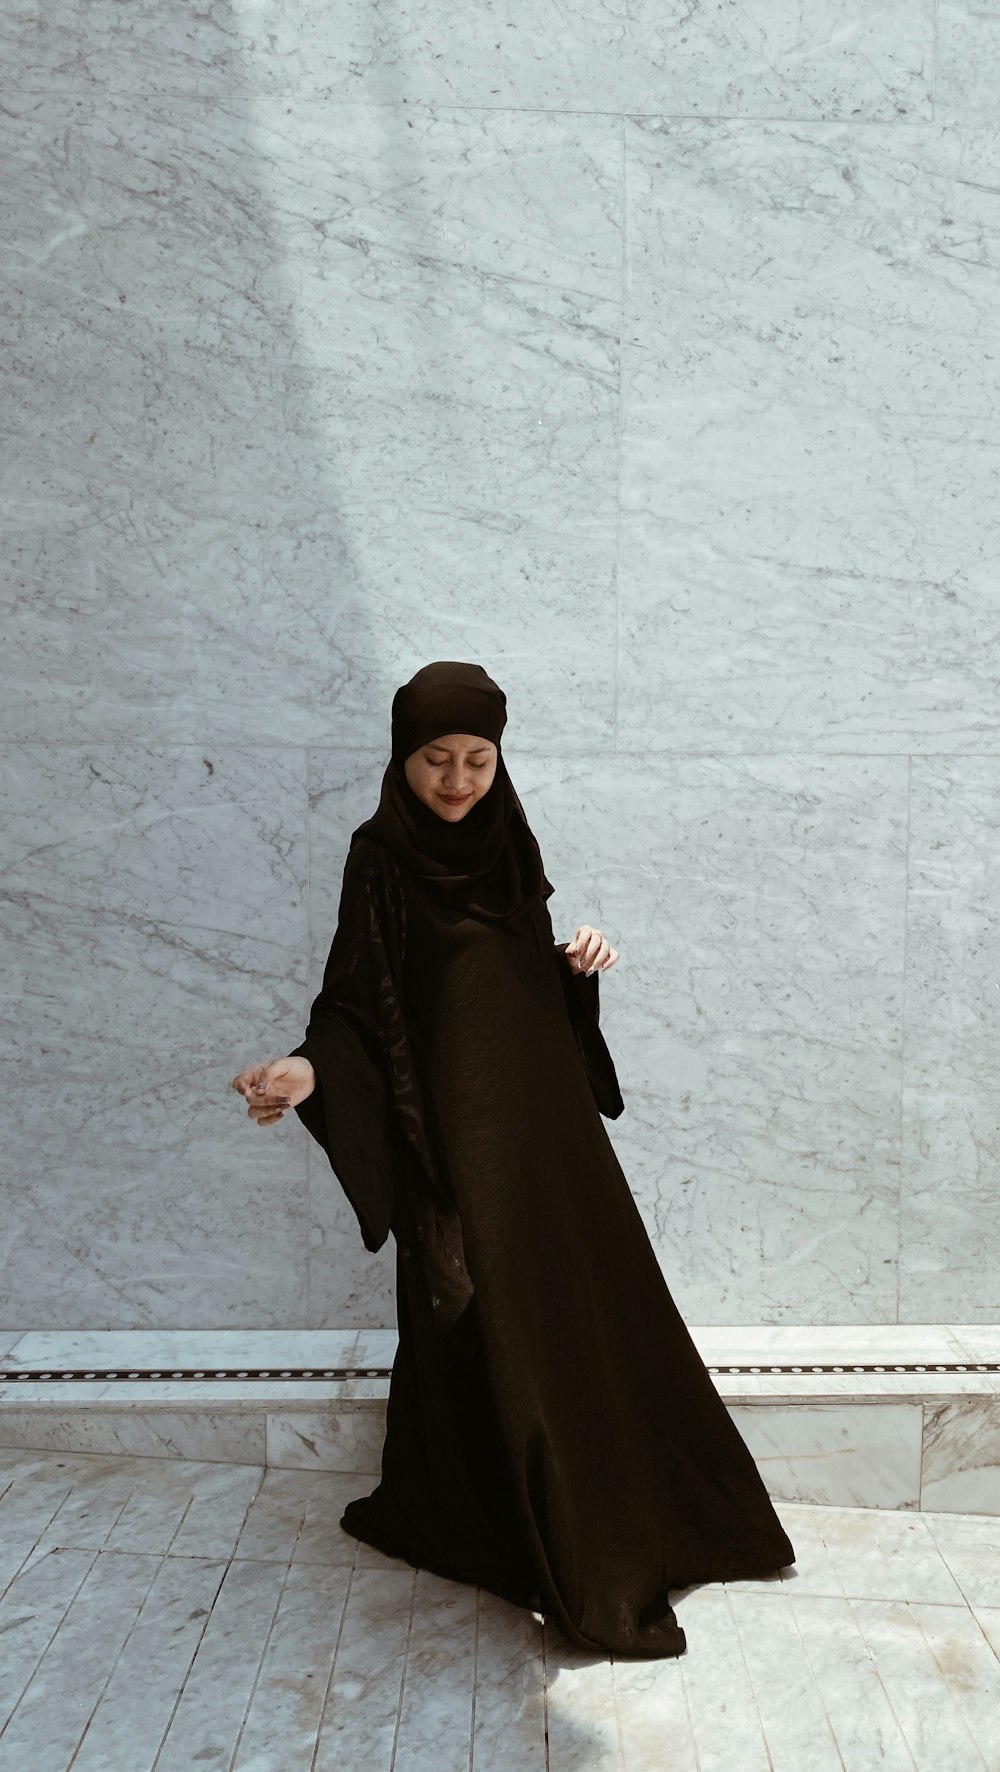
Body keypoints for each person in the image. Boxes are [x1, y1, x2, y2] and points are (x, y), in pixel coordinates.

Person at [231, 659, 795, 1659]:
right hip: (455, 1141)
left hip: (544, 1131)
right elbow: (357, 1005)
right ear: (401, 760)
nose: (456, 781)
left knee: (586, 1313)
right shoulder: (380, 858)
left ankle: (658, 1518)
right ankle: (516, 1525)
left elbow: (494, 983)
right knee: (479, 1321)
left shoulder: (505, 843)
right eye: (435, 759)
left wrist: (568, 972)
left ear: (500, 758)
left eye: (476, 759)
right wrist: (308, 1074)